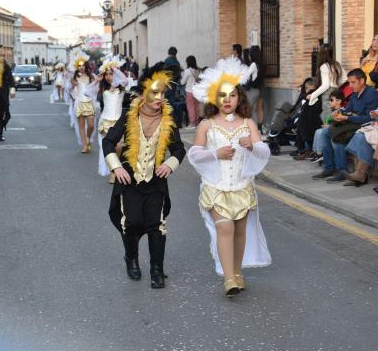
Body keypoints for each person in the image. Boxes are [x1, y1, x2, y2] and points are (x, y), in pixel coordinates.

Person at [188, 57, 271, 297]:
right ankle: (228, 279)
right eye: (223, 95)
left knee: (239, 231)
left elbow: (263, 150)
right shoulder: (207, 124)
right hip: (216, 187)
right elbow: (194, 154)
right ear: (215, 97)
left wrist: (252, 146)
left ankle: (237, 272)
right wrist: (216, 153)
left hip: (242, 186)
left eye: (232, 95)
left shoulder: (248, 123)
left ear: (239, 98)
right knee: (225, 229)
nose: (227, 100)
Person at [103, 63, 185, 289]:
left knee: (156, 225)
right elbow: (108, 141)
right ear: (144, 93)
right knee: (131, 223)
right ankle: (131, 259)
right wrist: (116, 167)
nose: (160, 98)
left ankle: (157, 270)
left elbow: (178, 149)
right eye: (154, 93)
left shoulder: (169, 119)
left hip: (155, 181)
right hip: (129, 180)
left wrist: (170, 164)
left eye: (163, 93)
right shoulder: (130, 116)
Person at [312, 68, 378, 182]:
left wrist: (348, 117)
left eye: (353, 82)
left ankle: (341, 170)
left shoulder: (371, 94)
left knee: (339, 137)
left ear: (362, 81)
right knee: (324, 133)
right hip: (352, 123)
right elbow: (347, 110)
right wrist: (339, 113)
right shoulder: (354, 94)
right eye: (349, 82)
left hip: (364, 126)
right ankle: (329, 168)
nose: (350, 86)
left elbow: (369, 117)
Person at [96, 56, 128, 183]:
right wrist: (97, 80)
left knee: (119, 147)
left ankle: (116, 167)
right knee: (109, 147)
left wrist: (114, 68)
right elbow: (87, 92)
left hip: (118, 121)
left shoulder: (122, 86)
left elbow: (124, 79)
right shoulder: (102, 87)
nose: (109, 76)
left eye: (112, 74)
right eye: (107, 74)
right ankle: (113, 172)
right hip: (105, 120)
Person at [69, 51, 97, 153]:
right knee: (81, 125)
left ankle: (88, 138)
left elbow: (95, 87)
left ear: (86, 66)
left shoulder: (91, 76)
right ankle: (84, 145)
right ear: (77, 67)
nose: (81, 67)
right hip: (79, 102)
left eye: (83, 66)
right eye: (79, 66)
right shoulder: (74, 77)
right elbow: (70, 89)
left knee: (91, 125)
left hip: (89, 102)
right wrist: (73, 85)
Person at [308, 44, 343, 121]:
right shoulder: (337, 65)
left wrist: (313, 95)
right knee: (335, 116)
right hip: (337, 92)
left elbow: (325, 85)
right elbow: (343, 79)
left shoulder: (324, 66)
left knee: (327, 117)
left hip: (328, 93)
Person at [293, 78, 322, 160]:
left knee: (305, 130)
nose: (309, 91)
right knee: (302, 129)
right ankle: (305, 150)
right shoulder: (305, 96)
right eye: (307, 89)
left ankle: (307, 150)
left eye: (311, 89)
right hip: (306, 120)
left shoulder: (314, 95)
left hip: (312, 120)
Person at [182, 55, 201, 127]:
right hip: (197, 91)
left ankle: (192, 123)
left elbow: (182, 82)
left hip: (189, 91)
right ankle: (197, 122)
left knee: (190, 108)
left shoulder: (187, 71)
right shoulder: (198, 70)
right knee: (196, 107)